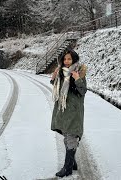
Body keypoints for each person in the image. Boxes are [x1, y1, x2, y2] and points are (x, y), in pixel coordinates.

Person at [50, 49, 87, 177]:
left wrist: (77, 79)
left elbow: (82, 91)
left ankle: (67, 168)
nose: (66, 61)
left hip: (73, 110)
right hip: (63, 109)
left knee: (71, 137)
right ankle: (73, 163)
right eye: (65, 59)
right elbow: (58, 87)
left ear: (74, 59)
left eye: (69, 59)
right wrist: (53, 78)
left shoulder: (79, 72)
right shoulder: (61, 71)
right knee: (66, 136)